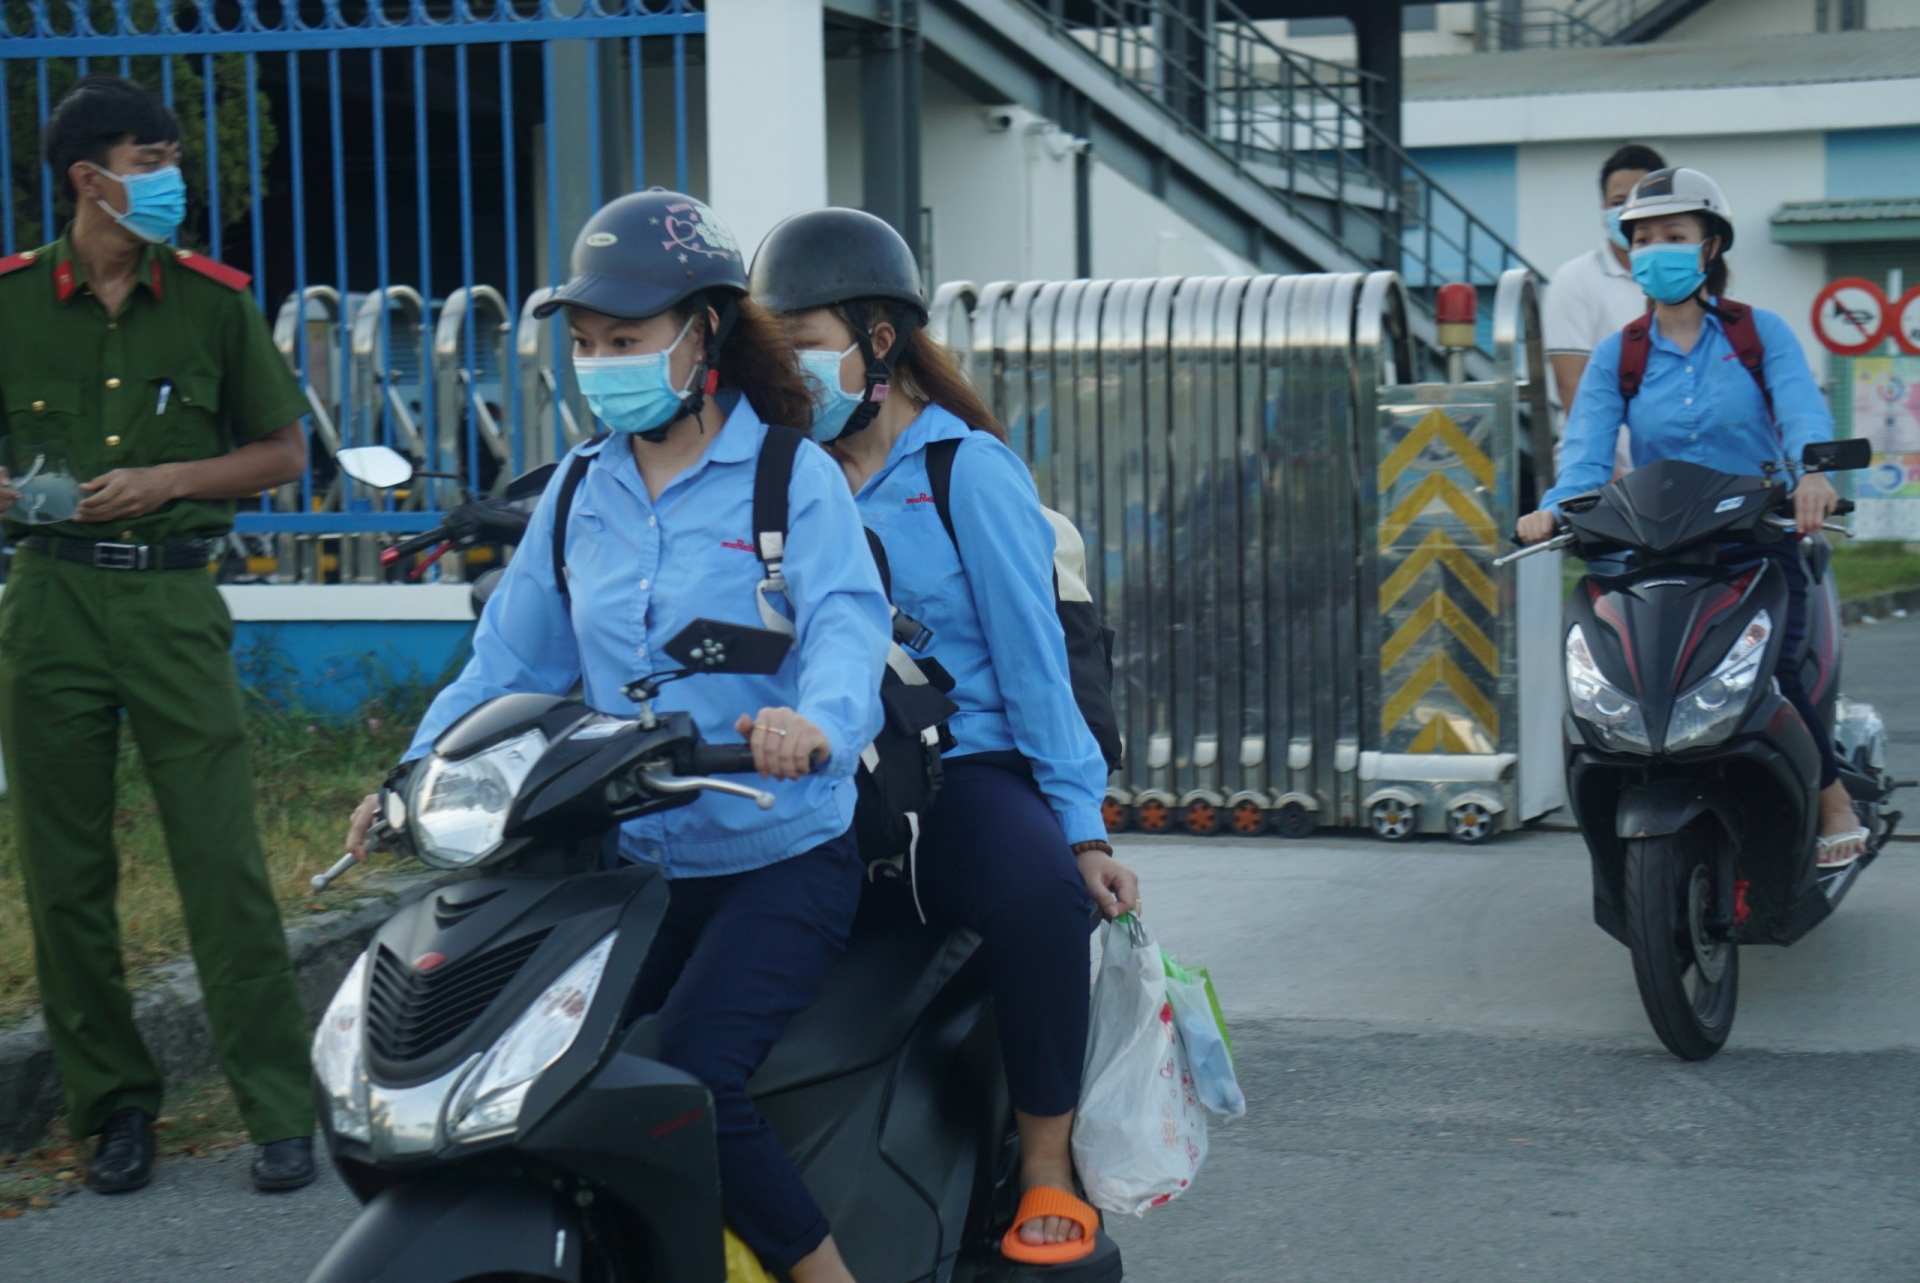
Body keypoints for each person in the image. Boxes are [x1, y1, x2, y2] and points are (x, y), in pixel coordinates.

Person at [345, 190, 890, 1283]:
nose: (602, 364)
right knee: (540, 1069)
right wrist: (413, 773)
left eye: (626, 340)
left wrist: (813, 724)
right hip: (630, 858)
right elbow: (510, 662)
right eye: (588, 344)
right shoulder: (582, 489)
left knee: (690, 1070)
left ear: (704, 332)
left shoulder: (792, 478)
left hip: (775, 854)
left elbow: (846, 625)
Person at [750, 207, 1142, 1268]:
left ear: (879, 339)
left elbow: (1035, 665)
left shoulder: (964, 468)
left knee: (1038, 898)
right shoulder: (785, 475)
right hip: (836, 776)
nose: (789, 370)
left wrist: (1082, 827)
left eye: (804, 342)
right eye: (772, 349)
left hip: (962, 768)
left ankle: (1047, 1162)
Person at [0, 74, 317, 1195]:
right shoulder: (8, 304)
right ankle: (114, 1110)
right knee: (66, 872)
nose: (174, 176)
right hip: (50, 601)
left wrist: (174, 476)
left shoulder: (214, 301)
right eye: (153, 158)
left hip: (175, 600)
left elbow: (284, 454)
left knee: (222, 861)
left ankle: (279, 1107)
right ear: (89, 179)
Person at [1517, 166, 1865, 867]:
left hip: (1754, 540)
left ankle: (1833, 798)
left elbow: (1801, 412)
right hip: (1662, 545)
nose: (1655, 249)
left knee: (1779, 670)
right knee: (1632, 675)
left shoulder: (1757, 334)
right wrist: (1554, 510)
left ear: (1709, 248)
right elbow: (1585, 452)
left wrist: (1815, 477)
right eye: (1641, 237)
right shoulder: (1622, 350)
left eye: (1674, 235)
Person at [1543, 142, 1666, 474]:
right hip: (1598, 469)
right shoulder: (1575, 279)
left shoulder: (1680, 275)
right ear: (1603, 209)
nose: (1628, 209)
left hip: (1670, 468)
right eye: (1617, 202)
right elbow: (1572, 383)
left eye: (1641, 200)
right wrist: (1607, 469)